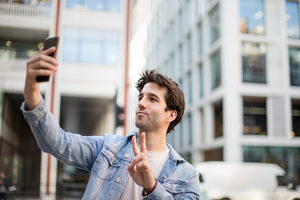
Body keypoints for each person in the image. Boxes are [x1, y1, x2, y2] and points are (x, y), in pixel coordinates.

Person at [21, 47, 200, 199]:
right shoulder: (108, 148)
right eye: (141, 97)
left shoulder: (187, 175)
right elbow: (59, 143)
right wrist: (32, 91)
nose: (141, 102)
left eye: (152, 99)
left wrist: (152, 187)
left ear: (171, 115)